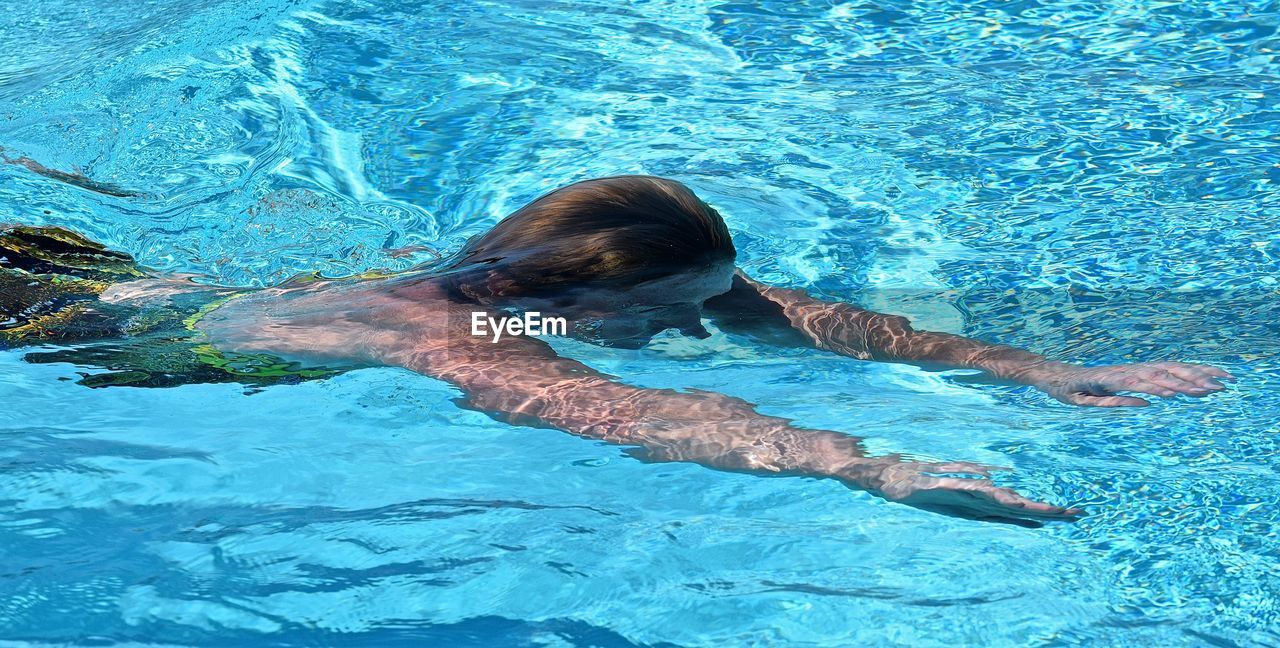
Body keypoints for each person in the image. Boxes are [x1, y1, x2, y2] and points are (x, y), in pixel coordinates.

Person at [0, 175, 1233, 526]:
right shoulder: (458, 333)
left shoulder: (526, 288)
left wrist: (1040, 373)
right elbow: (630, 419)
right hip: (112, 345)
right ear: (517, 289)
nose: (686, 324)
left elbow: (803, 318)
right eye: (652, 315)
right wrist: (876, 470)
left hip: (146, 283)